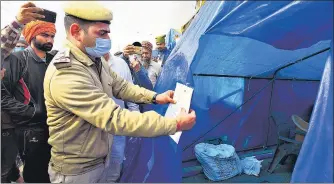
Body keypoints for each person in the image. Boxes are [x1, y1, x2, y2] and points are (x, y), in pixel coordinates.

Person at [44, 2, 196, 183]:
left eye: (108, 32)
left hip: (99, 159)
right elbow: (114, 118)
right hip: (77, 171)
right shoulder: (67, 72)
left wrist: (155, 97)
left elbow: (121, 86)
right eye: (102, 33)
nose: (108, 38)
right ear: (76, 32)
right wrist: (174, 125)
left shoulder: (95, 61)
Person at [2, 2, 58, 182]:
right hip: (30, 131)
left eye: (52, 36)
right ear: (32, 34)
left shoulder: (56, 60)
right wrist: (33, 112)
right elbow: (2, 97)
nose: (49, 40)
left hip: (56, 129)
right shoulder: (17, 59)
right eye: (44, 35)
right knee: (35, 175)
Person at [103, 52, 140, 182]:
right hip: (95, 128)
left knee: (116, 162)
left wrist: (136, 115)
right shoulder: (85, 65)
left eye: (106, 33)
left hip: (118, 125)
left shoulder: (120, 64)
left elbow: (129, 90)